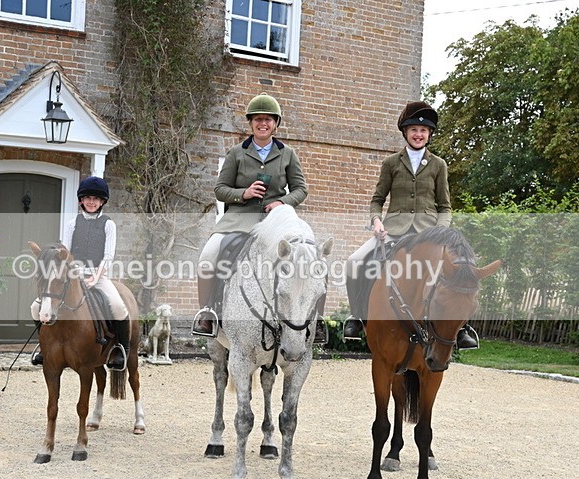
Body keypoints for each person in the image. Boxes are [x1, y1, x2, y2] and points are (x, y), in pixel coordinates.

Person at [343, 101, 478, 349]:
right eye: (414, 129)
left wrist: (443, 231)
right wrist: (376, 221)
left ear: (429, 135)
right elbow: (377, 200)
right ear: (405, 132)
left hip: (429, 234)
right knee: (354, 261)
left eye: (423, 131)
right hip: (394, 230)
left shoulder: (439, 165)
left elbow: (444, 206)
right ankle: (357, 317)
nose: (418, 134)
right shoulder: (392, 163)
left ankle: (462, 329)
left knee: (461, 267)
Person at [192, 93, 325, 341]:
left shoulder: (288, 154)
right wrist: (244, 193)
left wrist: (281, 202)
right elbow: (220, 189)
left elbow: (301, 189)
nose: (263, 124)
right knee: (209, 255)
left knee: (311, 255)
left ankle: (317, 321)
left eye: (268, 120)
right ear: (251, 123)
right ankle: (207, 313)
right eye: (258, 119)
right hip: (239, 218)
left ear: (276, 124)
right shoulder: (236, 153)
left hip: (277, 221)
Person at [31, 177, 130, 371]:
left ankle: (120, 348)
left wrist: (95, 277)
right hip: (72, 274)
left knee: (118, 306)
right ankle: (44, 346)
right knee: (36, 307)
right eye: (87, 198)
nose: (91, 202)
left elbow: (108, 255)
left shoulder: (108, 225)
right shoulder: (71, 223)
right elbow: (65, 252)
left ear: (102, 201)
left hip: (97, 275)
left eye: (96, 198)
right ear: (81, 201)